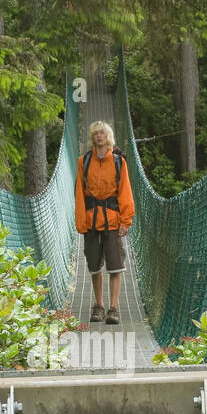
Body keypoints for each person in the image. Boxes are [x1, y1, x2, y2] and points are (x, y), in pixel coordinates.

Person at [75, 120, 135, 324]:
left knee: (115, 265)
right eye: (95, 133)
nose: (98, 136)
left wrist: (125, 221)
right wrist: (81, 221)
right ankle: (99, 305)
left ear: (107, 136)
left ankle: (114, 308)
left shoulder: (119, 162)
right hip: (91, 219)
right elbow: (80, 194)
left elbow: (125, 191)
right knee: (94, 265)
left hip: (112, 219)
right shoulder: (84, 161)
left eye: (102, 133)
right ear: (92, 137)